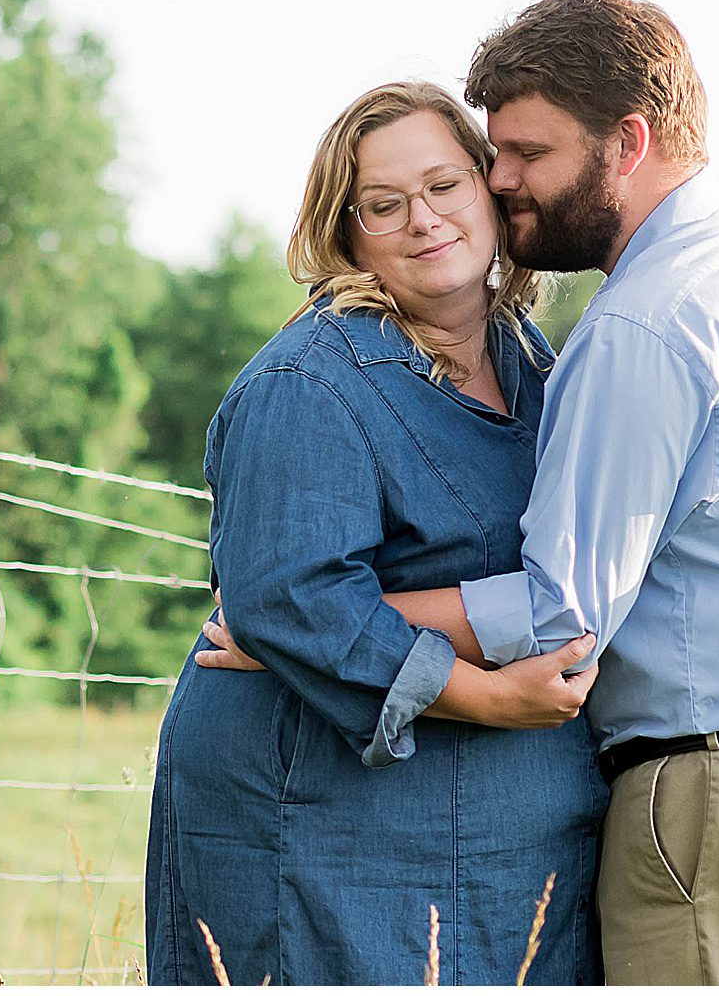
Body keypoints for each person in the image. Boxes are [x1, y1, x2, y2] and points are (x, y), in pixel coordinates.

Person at [380, 0, 719, 983]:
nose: (498, 181)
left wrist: (329, 615)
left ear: (627, 141)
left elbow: (559, 610)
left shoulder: (641, 322)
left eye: (528, 154)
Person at [144, 81, 609, 986]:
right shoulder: (310, 384)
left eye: (444, 187)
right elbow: (290, 597)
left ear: (489, 189)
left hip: (493, 842)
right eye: (383, 205)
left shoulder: (533, 361)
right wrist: (491, 699)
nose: (422, 220)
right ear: (346, 231)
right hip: (319, 827)